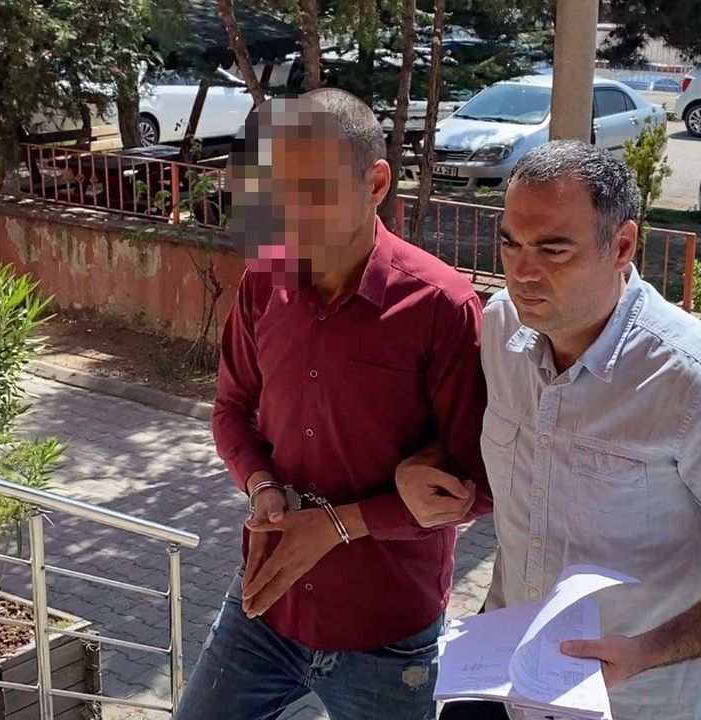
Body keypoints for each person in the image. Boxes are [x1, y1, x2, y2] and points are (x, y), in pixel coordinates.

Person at [398, 140, 701, 720]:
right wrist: (423, 465)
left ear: (621, 246)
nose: (522, 272)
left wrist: (646, 651)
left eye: (554, 249)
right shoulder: (501, 329)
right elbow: (501, 454)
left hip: (643, 702)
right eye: (510, 243)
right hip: (506, 682)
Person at [173, 88, 491, 720]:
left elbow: (478, 488)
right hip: (268, 603)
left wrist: (340, 525)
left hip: (386, 634)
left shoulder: (440, 307)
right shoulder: (264, 282)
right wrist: (262, 485)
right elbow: (231, 409)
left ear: (375, 183)